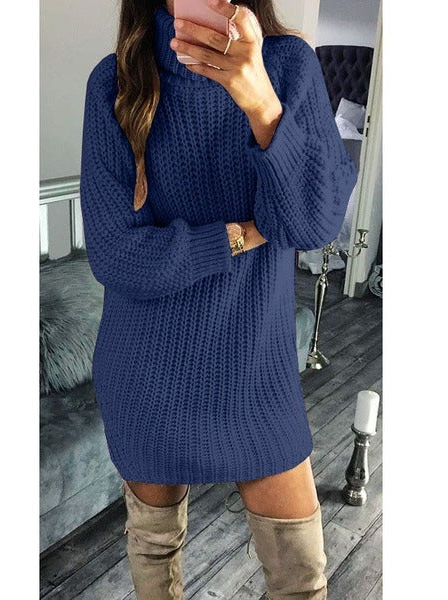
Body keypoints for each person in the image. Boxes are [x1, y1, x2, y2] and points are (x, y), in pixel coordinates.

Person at [79, 1, 358, 598]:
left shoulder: (288, 65)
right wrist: (239, 235)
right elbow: (116, 256)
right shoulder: (116, 81)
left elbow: (312, 224)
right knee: (154, 553)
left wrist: (260, 101)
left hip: (255, 367)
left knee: (301, 577)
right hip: (146, 372)